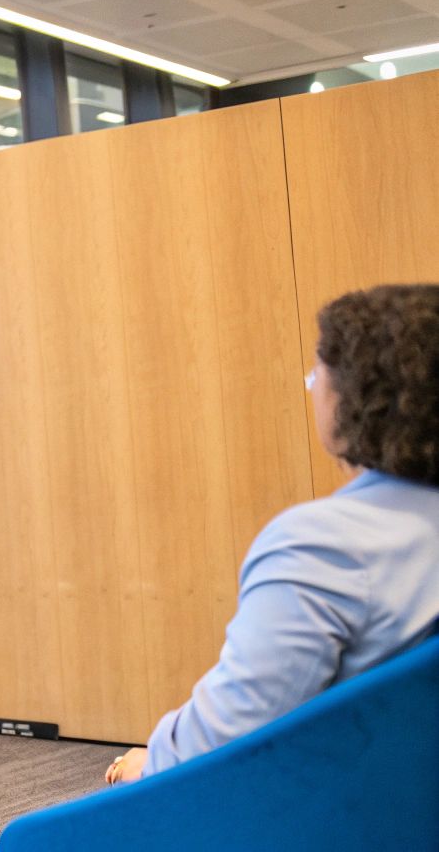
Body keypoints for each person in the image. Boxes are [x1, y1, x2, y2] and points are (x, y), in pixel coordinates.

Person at [106, 284, 439, 785]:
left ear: (353, 397)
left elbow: (223, 742)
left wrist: (149, 762)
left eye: (315, 374)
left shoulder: (323, 546)